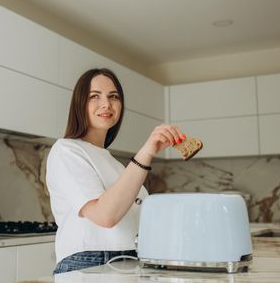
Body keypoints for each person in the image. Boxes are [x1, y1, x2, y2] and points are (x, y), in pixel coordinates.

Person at [46, 68, 186, 274]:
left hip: (130, 261)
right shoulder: (66, 150)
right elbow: (105, 216)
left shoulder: (115, 164)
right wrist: (147, 152)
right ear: (79, 104)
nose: (106, 104)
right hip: (90, 263)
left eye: (113, 97)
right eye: (95, 96)